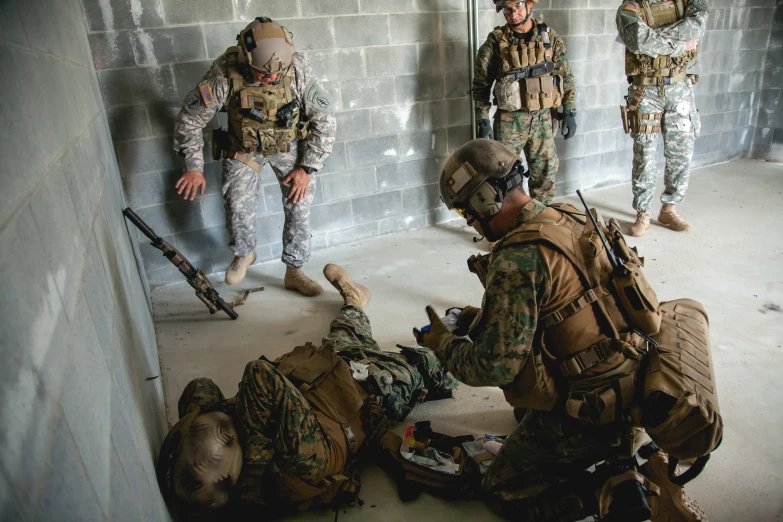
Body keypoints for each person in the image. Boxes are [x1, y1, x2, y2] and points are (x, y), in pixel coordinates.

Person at [413, 139, 719, 521]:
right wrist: (483, 319)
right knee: (521, 411)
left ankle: (627, 492)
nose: (467, 221)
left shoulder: (515, 260)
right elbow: (572, 306)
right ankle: (628, 454)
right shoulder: (566, 214)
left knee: (502, 489)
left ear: (484, 200)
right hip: (637, 380)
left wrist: (440, 341)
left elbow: (490, 368)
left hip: (592, 409)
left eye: (464, 209)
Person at [156, 264, 458, 516]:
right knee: (443, 358)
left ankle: (355, 300)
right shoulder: (297, 460)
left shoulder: (232, 446)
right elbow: (258, 373)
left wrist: (197, 422)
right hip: (380, 388)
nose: (225, 417)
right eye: (225, 428)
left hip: (335, 365)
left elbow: (200, 387)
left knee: (346, 327)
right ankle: (465, 324)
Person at [172, 17, 336, 294]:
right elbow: (190, 120)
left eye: (277, 73)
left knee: (299, 203)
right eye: (263, 73)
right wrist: (193, 166)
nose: (271, 77)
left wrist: (307, 168)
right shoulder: (225, 73)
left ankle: (294, 270)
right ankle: (244, 253)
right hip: (242, 148)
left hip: (288, 146)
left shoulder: (297, 68)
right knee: (237, 204)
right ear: (248, 61)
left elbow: (326, 121)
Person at [617, 0, 708, 236]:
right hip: (645, 90)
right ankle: (643, 213)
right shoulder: (631, 7)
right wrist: (680, 46)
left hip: (679, 87)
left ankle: (669, 208)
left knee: (681, 152)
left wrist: (654, 38)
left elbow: (696, 28)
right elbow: (637, 39)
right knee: (645, 154)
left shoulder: (689, 2)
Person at [471, 0, 577, 204]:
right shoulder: (495, 42)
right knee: (503, 176)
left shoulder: (550, 38)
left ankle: (540, 223)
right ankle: (510, 227)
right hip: (510, 122)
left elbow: (566, 77)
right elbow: (481, 86)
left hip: (543, 119)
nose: (512, 13)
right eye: (506, 9)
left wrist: (570, 111)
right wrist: (482, 120)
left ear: (530, 4)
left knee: (545, 174)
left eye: (517, 6)